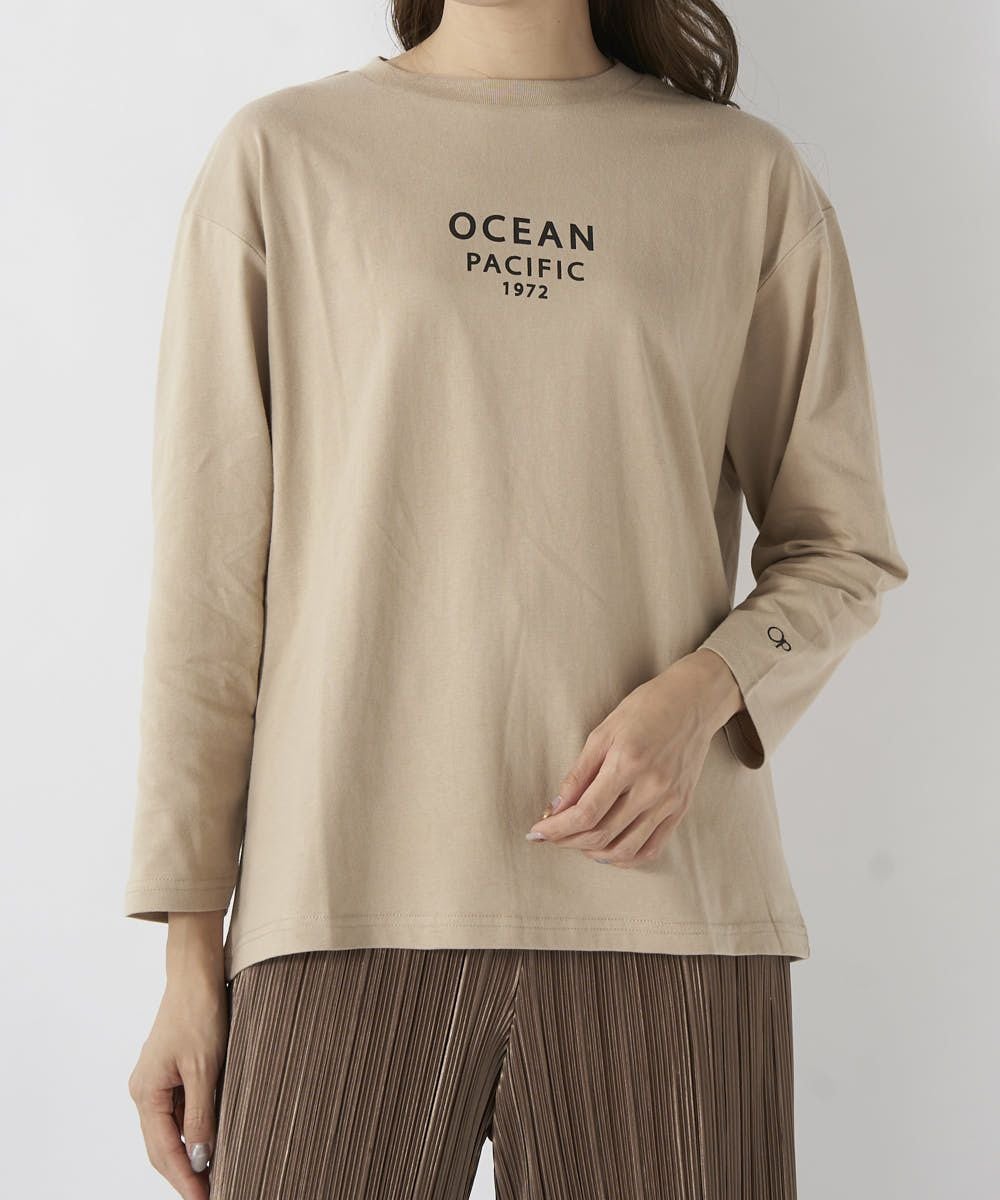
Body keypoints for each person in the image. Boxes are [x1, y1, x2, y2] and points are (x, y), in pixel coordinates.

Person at [123, 2, 909, 1197]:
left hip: (665, 911)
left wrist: (702, 696)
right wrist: (189, 954)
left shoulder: (743, 179)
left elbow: (841, 548)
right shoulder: (283, 158)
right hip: (338, 902)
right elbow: (209, 585)